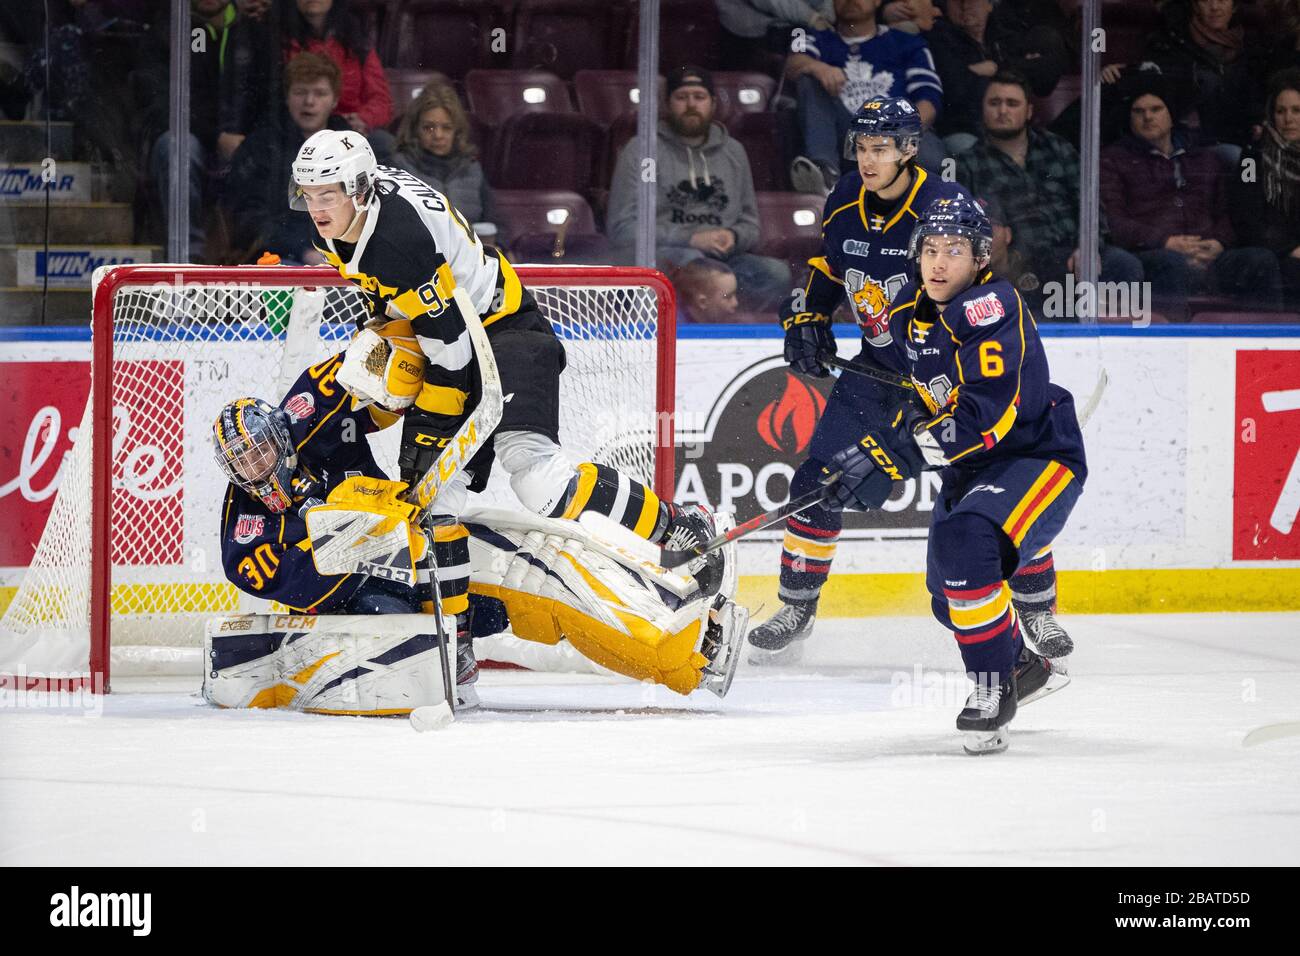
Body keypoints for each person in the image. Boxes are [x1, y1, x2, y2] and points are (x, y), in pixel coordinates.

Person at [289, 129, 735, 687]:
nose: (315, 207)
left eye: (327, 194)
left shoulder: (394, 237)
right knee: (432, 507)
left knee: (538, 479)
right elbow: (416, 316)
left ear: (358, 189)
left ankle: (682, 527)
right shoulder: (356, 217)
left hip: (504, 333)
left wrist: (425, 434)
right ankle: (455, 644)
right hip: (462, 336)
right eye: (307, 194)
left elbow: (450, 356)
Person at [828, 196, 1082, 754]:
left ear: (980, 258)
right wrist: (811, 332)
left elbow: (986, 418)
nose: (939, 263)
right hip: (969, 469)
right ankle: (1020, 665)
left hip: (1036, 456)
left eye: (955, 251)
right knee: (950, 594)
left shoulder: (991, 305)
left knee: (966, 545)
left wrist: (899, 454)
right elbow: (912, 394)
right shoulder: (905, 314)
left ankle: (993, 690)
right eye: (931, 250)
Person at [746, 96, 966, 661]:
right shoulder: (845, 196)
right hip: (875, 366)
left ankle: (1032, 612)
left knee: (982, 492)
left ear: (909, 150)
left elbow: (978, 290)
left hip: (946, 373)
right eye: (861, 148)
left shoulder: (943, 208)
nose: (867, 160)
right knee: (817, 481)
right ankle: (797, 605)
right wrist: (807, 314)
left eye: (880, 149)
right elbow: (831, 264)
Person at [211, 358, 485, 706]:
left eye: (260, 451)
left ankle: (460, 641)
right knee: (395, 623)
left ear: (279, 436)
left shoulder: (310, 419)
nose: (254, 468)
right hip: (347, 597)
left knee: (487, 601)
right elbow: (295, 582)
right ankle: (445, 666)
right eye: (241, 461)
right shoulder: (244, 525)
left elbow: (362, 360)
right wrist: (369, 540)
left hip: (404, 551)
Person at [954, 70, 1144, 319]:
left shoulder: (1057, 147)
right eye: (994, 103)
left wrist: (1088, 247)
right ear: (983, 110)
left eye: (1012, 103)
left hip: (1076, 250)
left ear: (1029, 111)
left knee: (1124, 264)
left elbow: (1089, 202)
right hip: (1020, 261)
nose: (1003, 111)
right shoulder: (968, 163)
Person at [606, 66, 791, 312]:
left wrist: (733, 237)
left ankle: (733, 328)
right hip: (669, 257)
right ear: (667, 104)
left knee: (776, 273)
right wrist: (691, 238)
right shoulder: (641, 150)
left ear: (713, 103)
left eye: (699, 97)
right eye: (682, 97)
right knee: (700, 272)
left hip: (725, 259)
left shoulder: (733, 151)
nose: (691, 104)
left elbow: (751, 225)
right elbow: (622, 228)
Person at [1100, 73, 1283, 319]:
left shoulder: (1205, 157)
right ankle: (1174, 347)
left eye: (1156, 109)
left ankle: (1270, 343)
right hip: (1153, 255)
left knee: (1260, 260)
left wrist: (1218, 242)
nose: (1148, 117)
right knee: (1170, 263)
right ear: (1129, 117)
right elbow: (1114, 220)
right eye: (1138, 111)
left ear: (1170, 114)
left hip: (1211, 255)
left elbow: (1231, 211)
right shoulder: (1114, 159)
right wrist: (1164, 242)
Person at [784, 0, 945, 194]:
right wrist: (818, 67)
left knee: (931, 157)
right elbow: (794, 62)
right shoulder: (816, 37)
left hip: (898, 133)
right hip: (847, 136)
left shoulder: (907, 41)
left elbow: (929, 98)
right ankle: (825, 175)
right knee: (808, 78)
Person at [223, 52, 352, 263]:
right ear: (287, 96)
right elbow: (250, 220)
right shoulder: (260, 146)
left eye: (320, 93)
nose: (309, 102)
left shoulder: (352, 147)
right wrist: (304, 250)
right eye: (300, 92)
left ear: (335, 100)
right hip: (279, 258)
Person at [923, 0, 1068, 155]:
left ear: (989, 5)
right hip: (964, 130)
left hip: (1015, 128)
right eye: (956, 1)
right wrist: (1011, 74)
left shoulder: (1005, 34)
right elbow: (955, 89)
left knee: (1056, 152)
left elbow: (1046, 74)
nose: (965, 5)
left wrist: (996, 68)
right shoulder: (938, 37)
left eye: (972, 1)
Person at [281, 0, 394, 158]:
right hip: (299, 129)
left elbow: (382, 100)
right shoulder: (278, 40)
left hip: (351, 131)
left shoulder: (357, 40)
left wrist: (363, 119)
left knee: (385, 144)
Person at [390, 80, 499, 239]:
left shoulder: (472, 168)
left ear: (457, 130)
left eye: (446, 128)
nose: (438, 135)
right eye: (429, 128)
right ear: (415, 129)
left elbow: (496, 222)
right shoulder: (399, 168)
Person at [1231, 68, 1300, 309]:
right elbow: (1247, 219)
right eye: (1280, 111)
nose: (1288, 119)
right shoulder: (1252, 158)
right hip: (1272, 255)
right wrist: (1290, 249)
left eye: (1296, 111)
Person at [672, 258, 742, 323]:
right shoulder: (676, 330)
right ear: (703, 302)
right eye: (727, 297)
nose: (735, 303)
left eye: (735, 294)